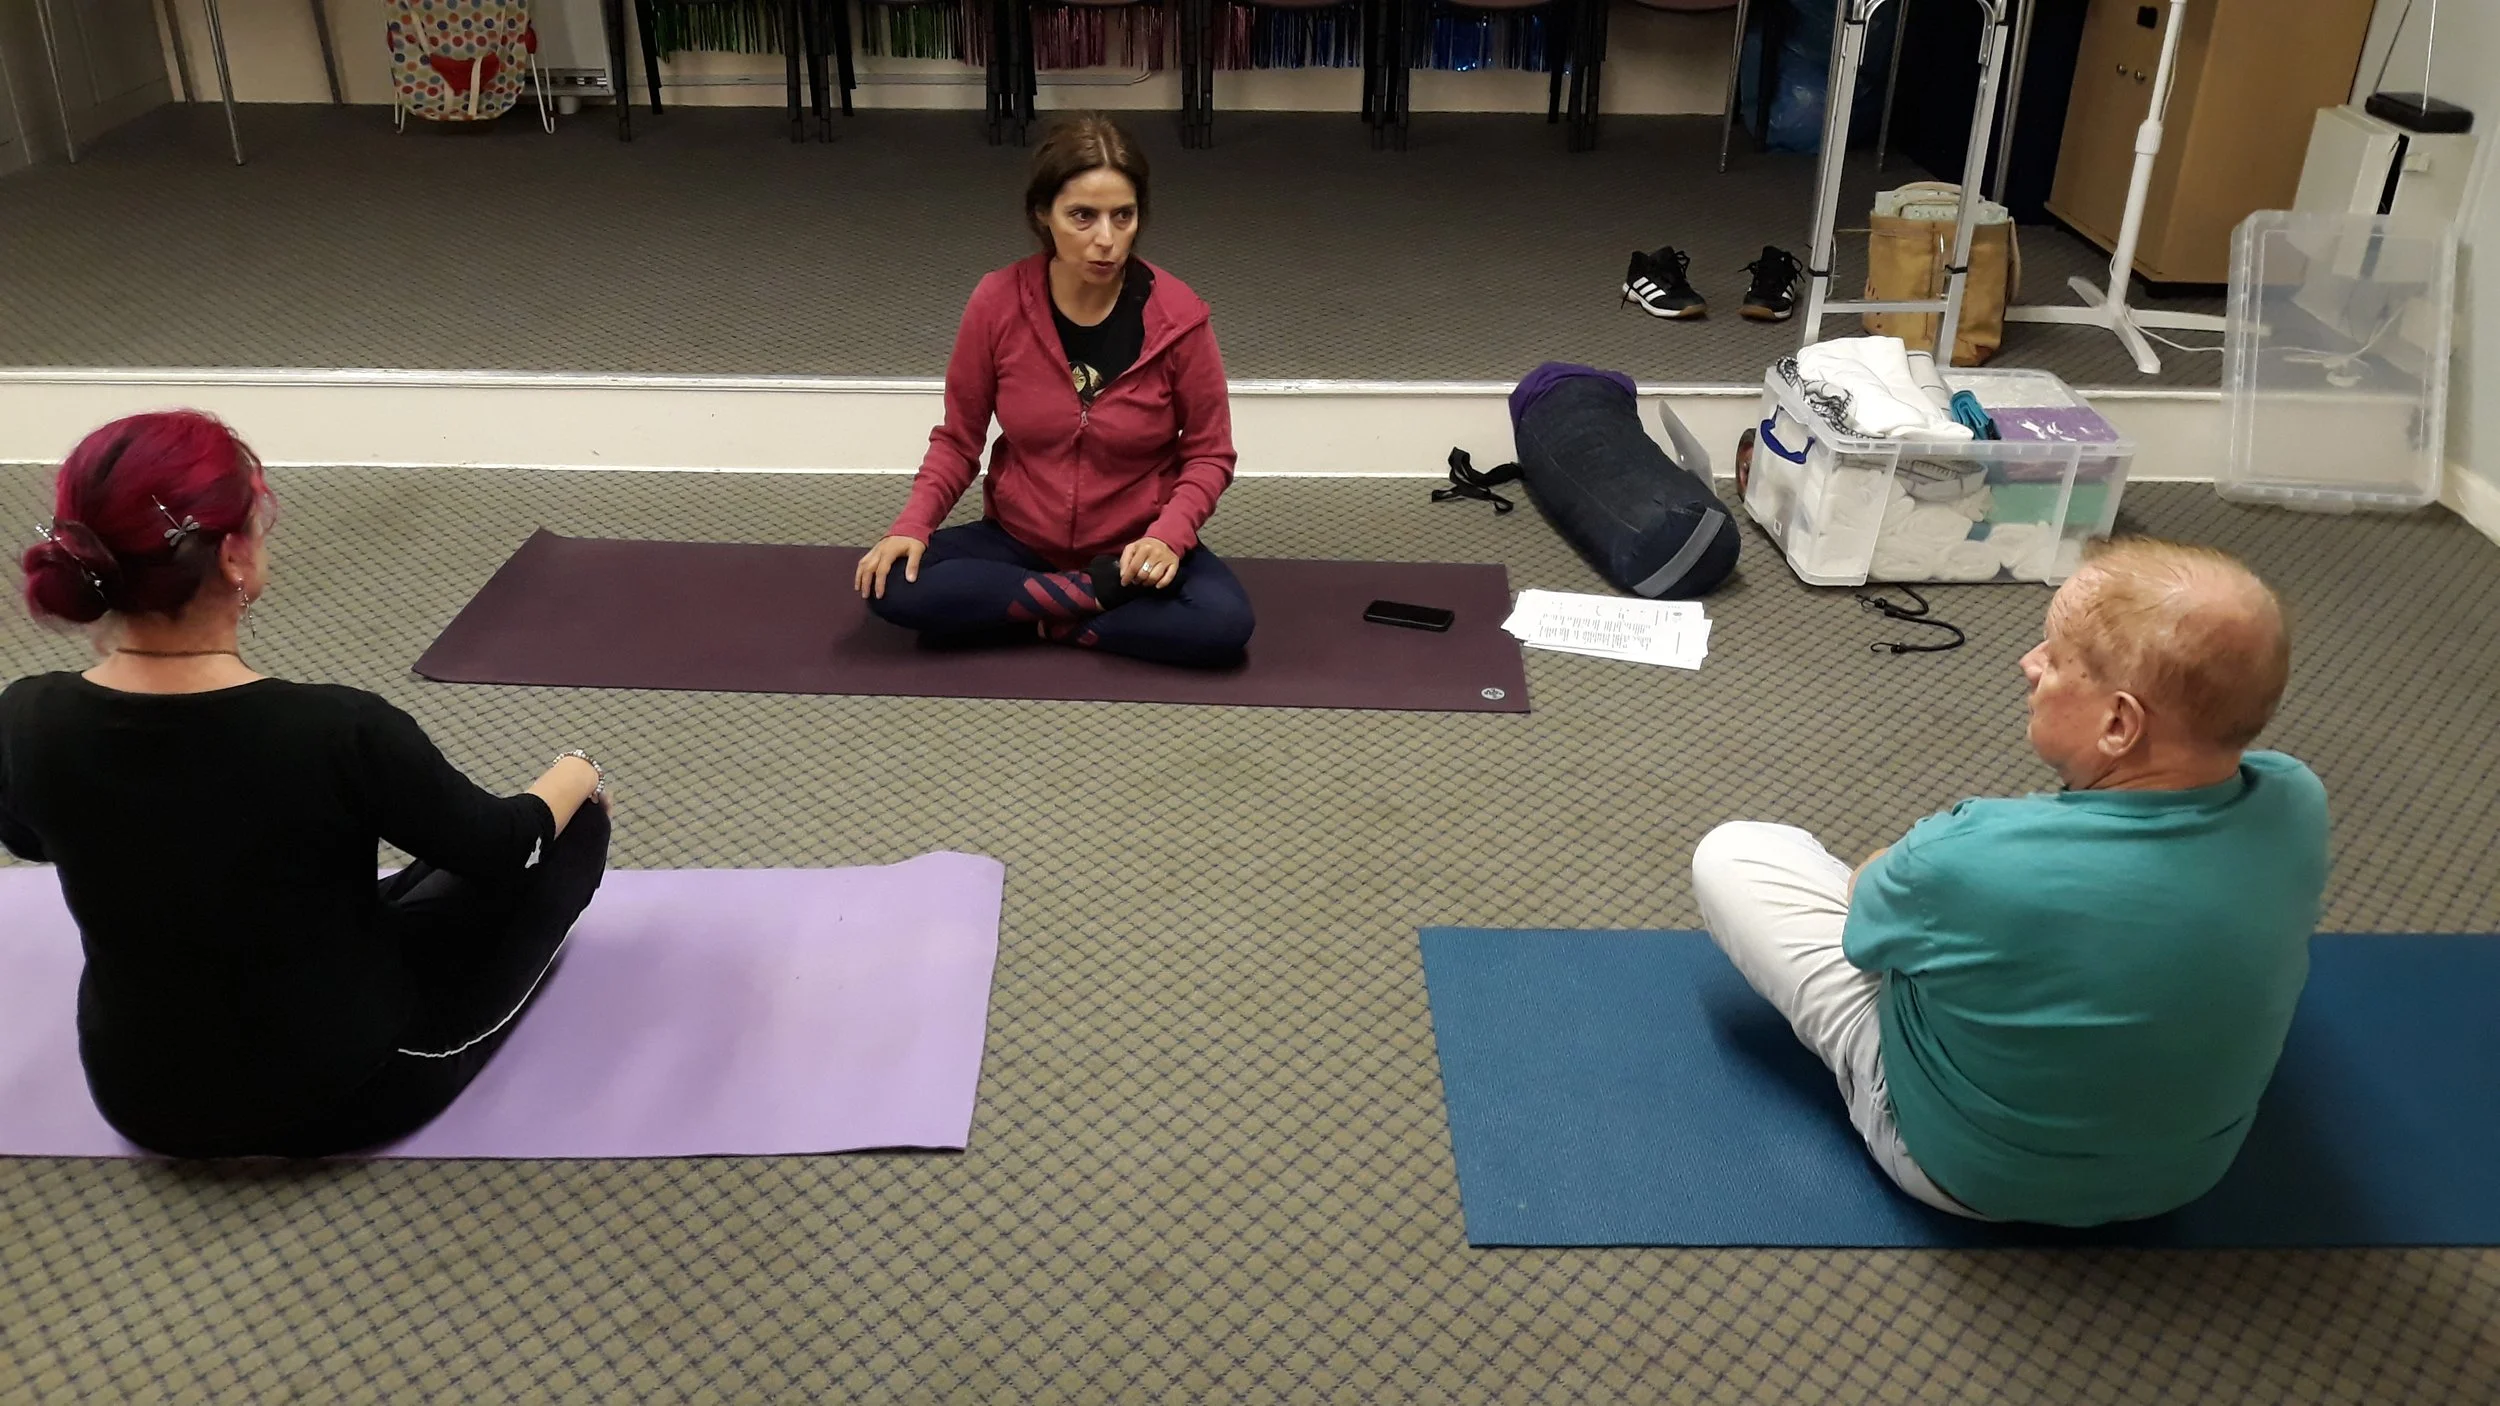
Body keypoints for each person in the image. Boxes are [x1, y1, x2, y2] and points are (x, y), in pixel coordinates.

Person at [0, 411, 613, 1159]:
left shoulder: (26, 717)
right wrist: (577, 767)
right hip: (346, 1092)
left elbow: (30, 838)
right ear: (233, 556)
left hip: (136, 1098)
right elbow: (504, 846)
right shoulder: (338, 729)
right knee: (572, 826)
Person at [1690, 538, 2328, 1226]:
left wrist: (1921, 871)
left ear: (2119, 724)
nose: (2028, 663)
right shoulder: (2298, 799)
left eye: (2055, 657)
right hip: (2188, 1177)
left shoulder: (1966, 854)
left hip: (1965, 1177)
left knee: (1734, 854)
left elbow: (1863, 926)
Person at [854, 113, 1256, 667]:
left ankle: (1036, 616)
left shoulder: (1181, 318)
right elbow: (958, 440)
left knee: (1224, 623)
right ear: (1043, 214)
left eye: (1123, 216)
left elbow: (1210, 453)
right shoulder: (996, 302)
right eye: (1082, 216)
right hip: (1020, 542)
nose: (1106, 240)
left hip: (1132, 551)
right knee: (892, 583)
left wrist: (1168, 536)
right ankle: (1093, 603)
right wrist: (913, 524)